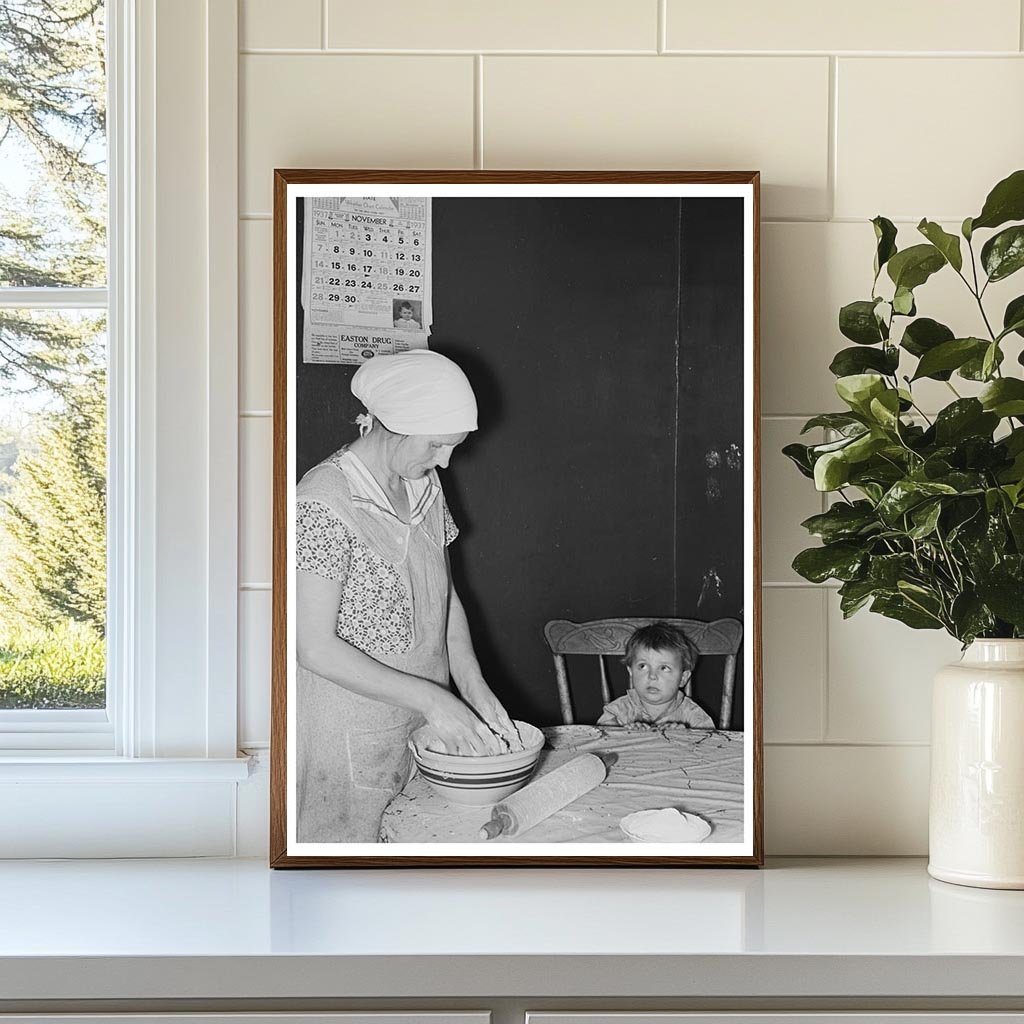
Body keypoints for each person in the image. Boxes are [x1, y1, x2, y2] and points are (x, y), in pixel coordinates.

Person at [294, 349, 519, 842]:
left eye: (454, 446)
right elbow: (312, 646)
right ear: (389, 426)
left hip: (425, 715)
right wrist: (435, 701)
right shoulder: (321, 502)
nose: (447, 460)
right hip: (352, 733)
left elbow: (444, 594)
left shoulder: (424, 484)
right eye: (438, 444)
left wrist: (471, 684)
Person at [597, 622, 714, 730]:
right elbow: (599, 739)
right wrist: (623, 734)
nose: (652, 676)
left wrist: (686, 738)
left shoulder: (695, 717)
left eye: (664, 668)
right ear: (631, 672)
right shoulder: (617, 712)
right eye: (643, 666)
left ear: (683, 678)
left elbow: (712, 746)